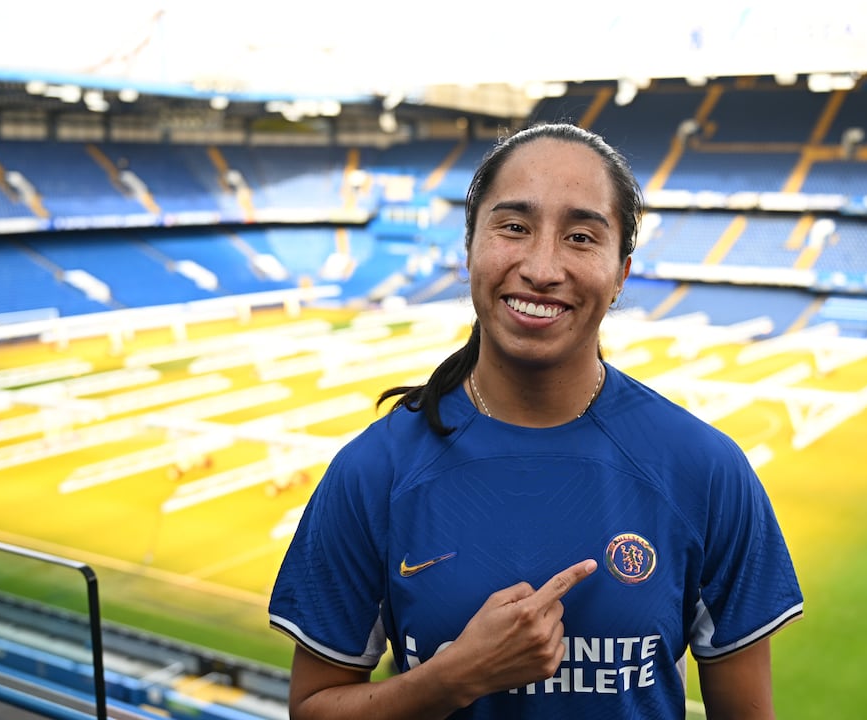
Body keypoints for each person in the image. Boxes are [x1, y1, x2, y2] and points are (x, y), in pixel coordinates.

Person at [268, 122, 803, 719]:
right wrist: (452, 678)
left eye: (580, 236)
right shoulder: (374, 471)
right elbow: (311, 709)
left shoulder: (705, 471)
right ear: (470, 245)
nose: (542, 268)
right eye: (514, 227)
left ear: (622, 272)